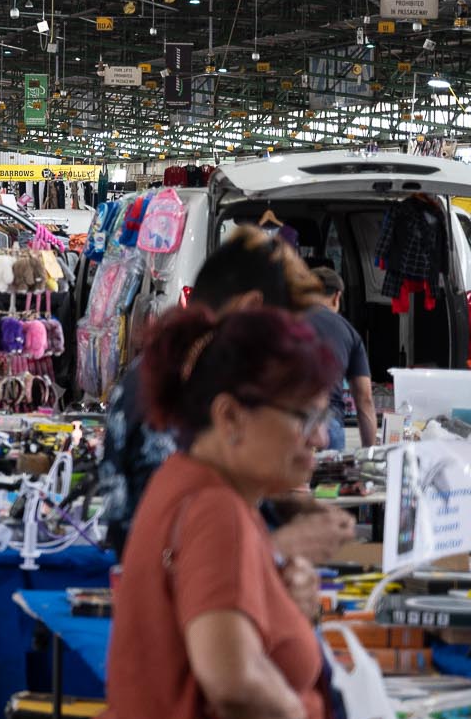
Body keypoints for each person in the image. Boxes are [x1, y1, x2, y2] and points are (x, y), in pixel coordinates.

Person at [87, 305, 339, 719]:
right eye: (304, 417)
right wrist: (292, 718)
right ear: (230, 417)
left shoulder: (198, 487)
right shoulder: (214, 508)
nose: (319, 438)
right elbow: (233, 679)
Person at [98, 230, 354, 560]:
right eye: (281, 338)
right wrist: (278, 549)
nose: (318, 438)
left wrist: (274, 509)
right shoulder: (185, 390)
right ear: (249, 309)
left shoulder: (170, 373)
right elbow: (181, 554)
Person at [307, 267, 375, 449]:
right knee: (329, 477)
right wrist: (370, 456)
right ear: (337, 296)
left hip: (286, 423)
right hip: (328, 425)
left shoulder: (286, 320)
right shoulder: (349, 333)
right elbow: (365, 399)